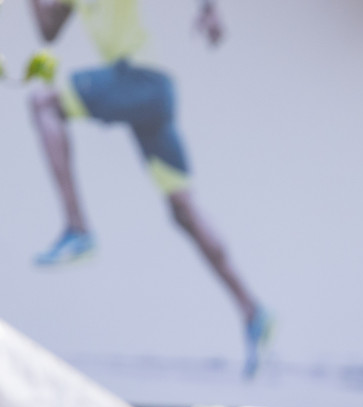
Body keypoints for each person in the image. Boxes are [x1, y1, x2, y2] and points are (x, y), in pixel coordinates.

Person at [26, 0, 270, 374]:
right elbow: (48, 29)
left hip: (138, 78)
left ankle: (77, 229)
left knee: (45, 103)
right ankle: (252, 309)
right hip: (153, 92)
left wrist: (208, 9)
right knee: (183, 210)